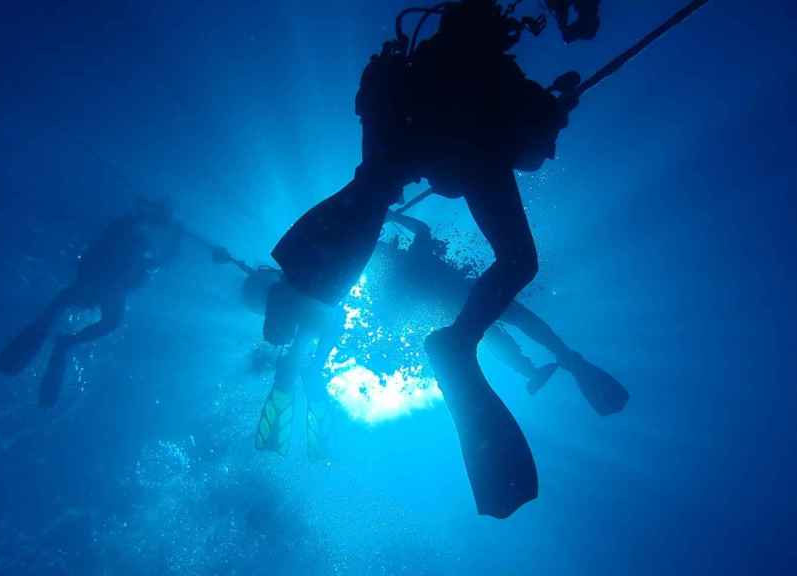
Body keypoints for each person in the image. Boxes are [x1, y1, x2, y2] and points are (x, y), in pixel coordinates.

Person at [271, 0, 596, 518]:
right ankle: (459, 340)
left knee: (370, 195)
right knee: (517, 262)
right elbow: (530, 152)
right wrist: (554, 111)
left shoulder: (425, 67)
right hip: (467, 154)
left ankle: (300, 290)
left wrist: (549, 110)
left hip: (421, 144)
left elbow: (388, 150)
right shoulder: (490, 68)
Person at [384, 211, 628, 416]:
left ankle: (531, 370)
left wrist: (388, 219)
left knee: (495, 334)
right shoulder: (411, 259)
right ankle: (554, 359)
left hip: (461, 305)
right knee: (514, 322)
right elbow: (422, 229)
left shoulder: (399, 275)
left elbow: (400, 299)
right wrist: (393, 216)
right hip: (471, 293)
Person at [0, 198, 181, 406]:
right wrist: (171, 235)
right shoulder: (127, 241)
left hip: (98, 287)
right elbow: (152, 258)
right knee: (53, 321)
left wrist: (170, 236)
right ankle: (60, 344)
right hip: (97, 286)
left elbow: (154, 260)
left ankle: (61, 344)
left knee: (53, 321)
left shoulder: (131, 243)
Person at [211, 247, 342, 461]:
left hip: (313, 311)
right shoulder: (286, 290)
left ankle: (298, 437)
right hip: (319, 311)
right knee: (301, 370)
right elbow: (279, 332)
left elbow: (276, 334)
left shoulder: (281, 291)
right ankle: (320, 443)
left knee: (292, 370)